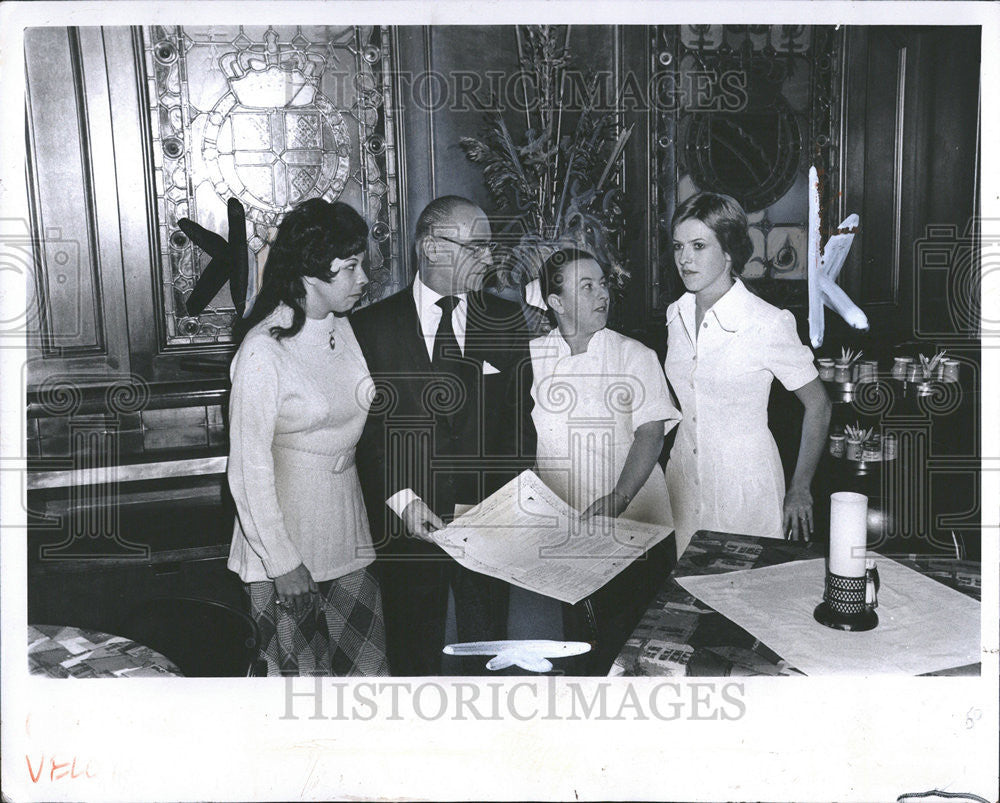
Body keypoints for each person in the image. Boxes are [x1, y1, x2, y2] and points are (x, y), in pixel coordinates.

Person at [351, 195, 537, 676]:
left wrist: (505, 501)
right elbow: (369, 433)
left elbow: (520, 421)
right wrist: (405, 501)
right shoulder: (370, 328)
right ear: (432, 247)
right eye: (476, 246)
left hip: (489, 524)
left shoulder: (505, 319)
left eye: (490, 246)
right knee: (413, 655)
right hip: (406, 527)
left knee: (489, 655)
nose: (489, 259)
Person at [226, 198, 389, 676]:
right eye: (352, 267)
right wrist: (282, 562)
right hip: (285, 546)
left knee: (368, 683)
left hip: (347, 535)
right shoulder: (263, 350)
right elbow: (248, 469)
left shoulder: (344, 327)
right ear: (311, 271)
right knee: (298, 693)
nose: (364, 279)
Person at [664, 192, 832, 558]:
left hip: (745, 487)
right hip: (683, 482)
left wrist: (800, 486)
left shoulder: (767, 323)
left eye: (698, 245)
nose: (684, 259)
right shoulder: (674, 315)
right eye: (678, 246)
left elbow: (818, 404)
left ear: (728, 252)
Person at [531, 248, 680, 527]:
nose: (603, 294)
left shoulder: (634, 355)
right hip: (562, 520)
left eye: (602, 283)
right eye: (587, 286)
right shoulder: (532, 358)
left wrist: (619, 497)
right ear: (557, 302)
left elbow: (651, 435)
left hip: (634, 513)